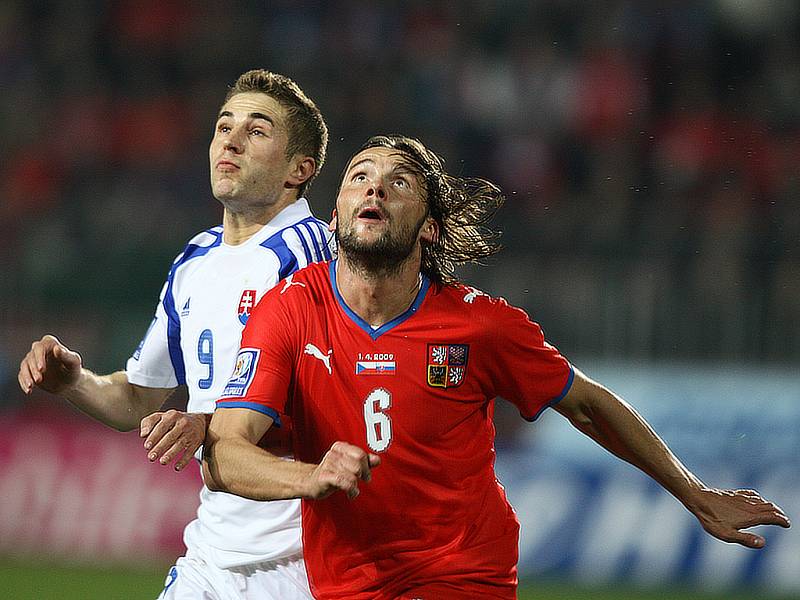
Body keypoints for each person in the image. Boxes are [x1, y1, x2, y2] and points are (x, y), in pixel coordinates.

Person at [202, 134, 791, 600]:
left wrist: (696, 494)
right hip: (346, 583)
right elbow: (226, 452)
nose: (374, 189)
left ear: (429, 227)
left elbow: (586, 404)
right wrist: (310, 478)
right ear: (337, 214)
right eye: (360, 177)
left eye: (398, 182)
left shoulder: (480, 325)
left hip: (461, 574)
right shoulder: (289, 312)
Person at [17, 69, 331, 599]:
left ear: (299, 169)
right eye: (223, 125)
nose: (230, 140)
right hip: (209, 556)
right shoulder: (196, 261)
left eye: (257, 131)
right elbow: (139, 397)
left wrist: (207, 425)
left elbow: (334, 397)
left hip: (300, 559)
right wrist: (74, 381)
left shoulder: (314, 256)